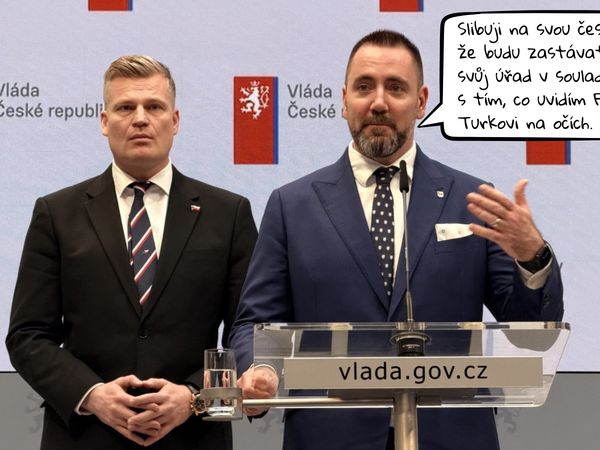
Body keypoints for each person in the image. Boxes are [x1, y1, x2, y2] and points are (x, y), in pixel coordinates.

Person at [229, 30, 564, 450]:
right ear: (344, 100)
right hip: (329, 436)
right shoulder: (291, 205)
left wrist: (532, 257)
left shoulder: (471, 199)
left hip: (450, 436)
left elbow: (528, 331)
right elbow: (253, 323)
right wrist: (258, 368)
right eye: (364, 87)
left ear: (421, 102)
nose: (379, 102)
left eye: (396, 88)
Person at [6, 55, 257, 450]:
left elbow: (250, 330)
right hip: (84, 437)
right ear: (105, 122)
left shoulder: (228, 213)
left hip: (193, 437)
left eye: (154, 107)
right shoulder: (56, 213)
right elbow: (27, 336)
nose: (140, 118)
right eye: (125, 107)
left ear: (175, 120)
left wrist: (194, 396)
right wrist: (92, 395)